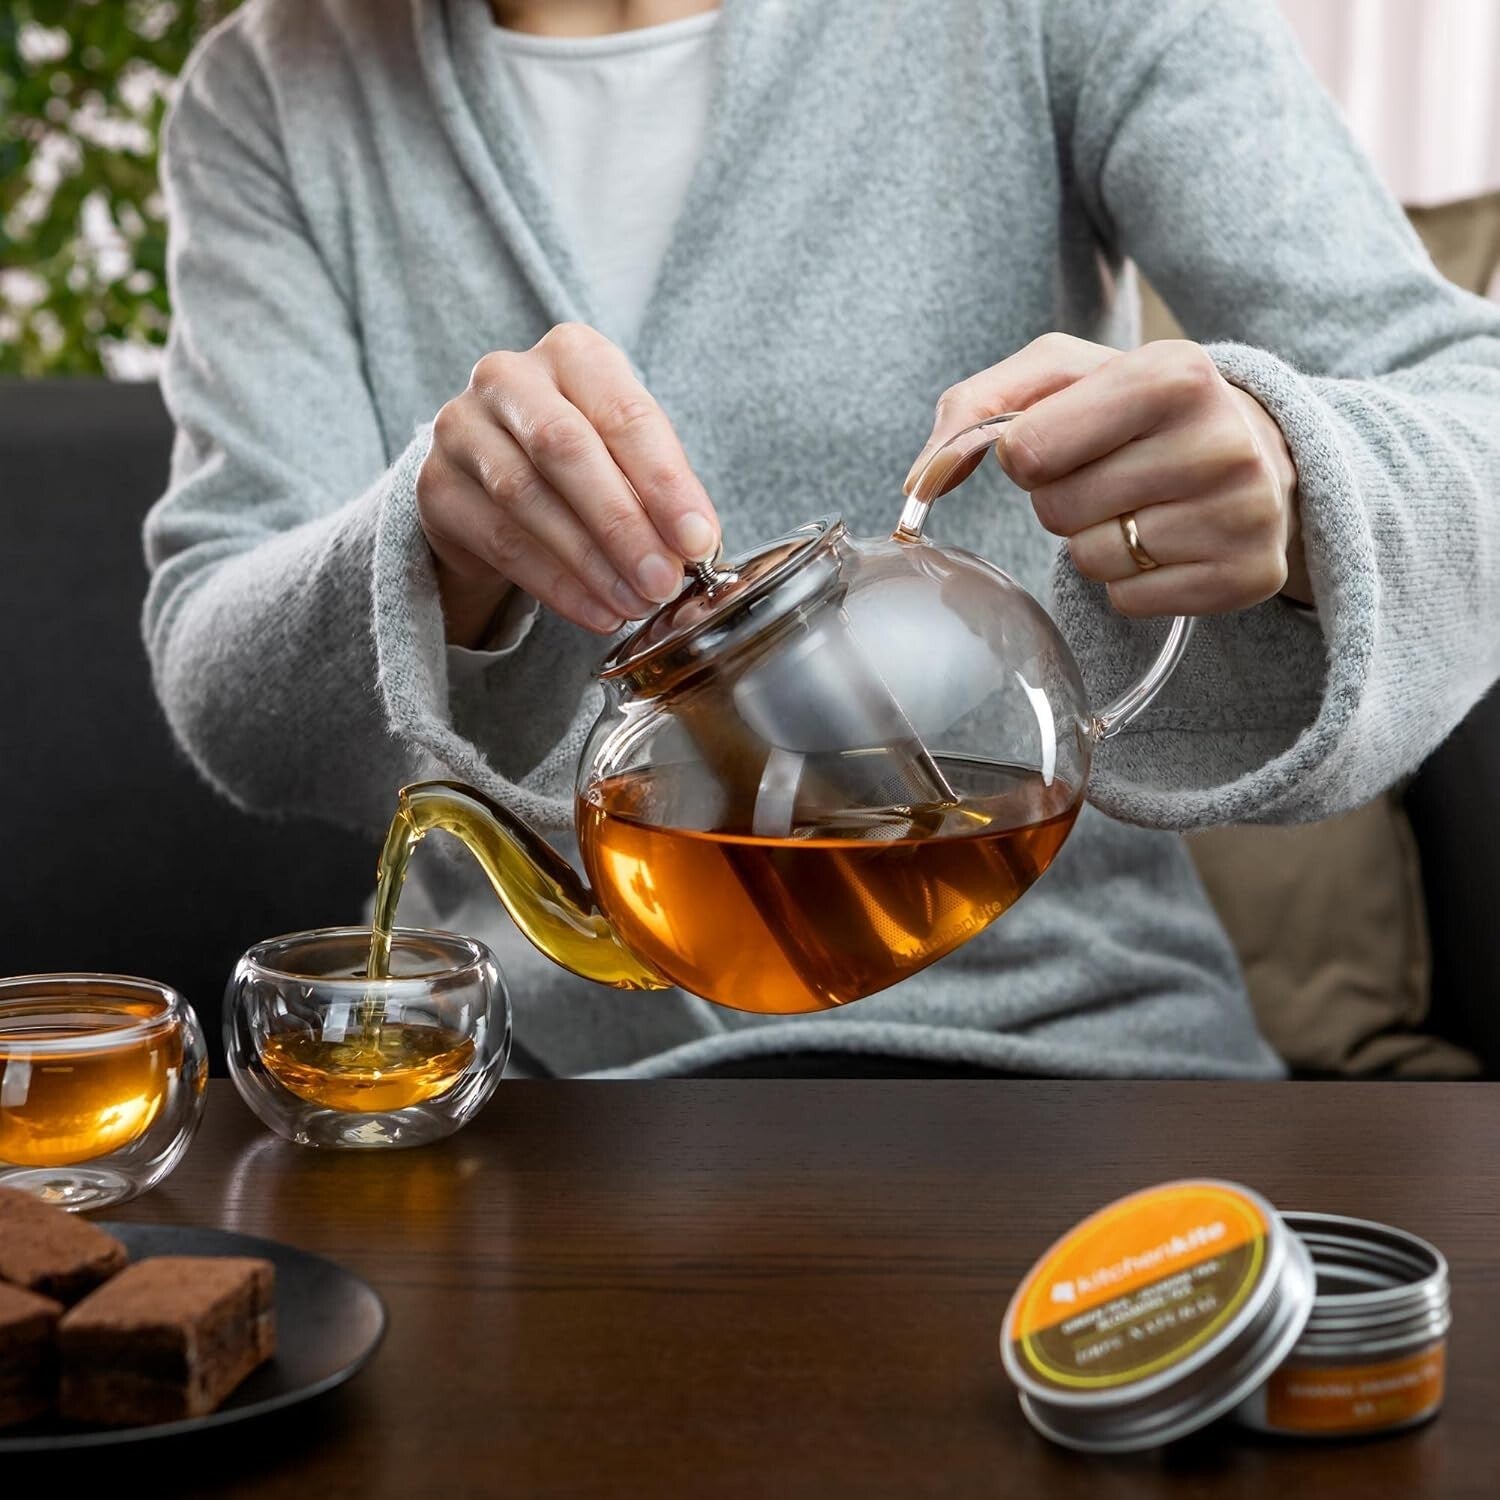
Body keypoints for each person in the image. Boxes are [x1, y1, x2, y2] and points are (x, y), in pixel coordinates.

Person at [144, 0, 1500, 1079]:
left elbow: (1470, 418)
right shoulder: (269, 87)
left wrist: (1293, 475)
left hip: (1074, 1060)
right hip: (547, 1103)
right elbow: (219, 663)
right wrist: (433, 543)